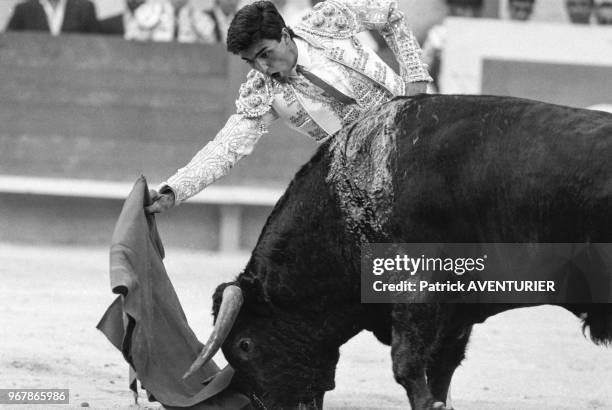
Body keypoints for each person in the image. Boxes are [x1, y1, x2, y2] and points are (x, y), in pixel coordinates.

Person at [146, 0, 431, 213]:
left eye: (265, 54)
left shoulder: (327, 21)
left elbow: (390, 15)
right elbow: (225, 149)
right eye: (250, 61)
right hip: (372, 176)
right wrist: (174, 190)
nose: (262, 67)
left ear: (285, 35)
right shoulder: (262, 92)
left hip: (418, 128)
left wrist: (415, 77)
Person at [421, 0, 483, 93]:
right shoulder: (439, 34)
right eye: (463, 7)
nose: (469, 13)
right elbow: (423, 72)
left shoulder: (485, 35)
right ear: (452, 7)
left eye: (474, 8)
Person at [6, 0, 99, 35]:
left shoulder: (85, 8)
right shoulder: (23, 9)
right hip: (32, 72)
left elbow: (98, 44)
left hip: (77, 72)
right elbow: (8, 44)